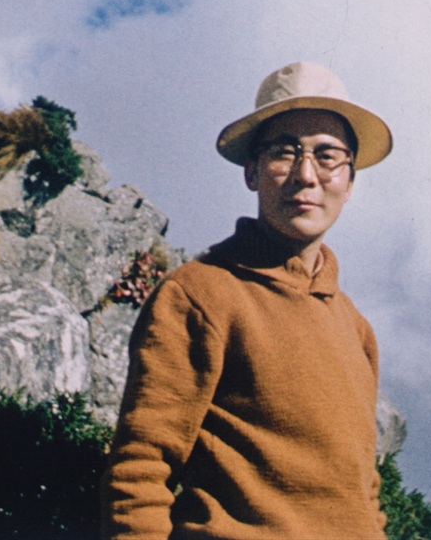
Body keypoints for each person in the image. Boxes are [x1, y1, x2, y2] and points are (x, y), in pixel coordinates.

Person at [101, 62, 393, 539]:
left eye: (327, 156)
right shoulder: (199, 294)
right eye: (284, 152)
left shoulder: (356, 328)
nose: (305, 175)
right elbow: (141, 470)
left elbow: (366, 494)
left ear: (350, 181)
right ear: (252, 172)